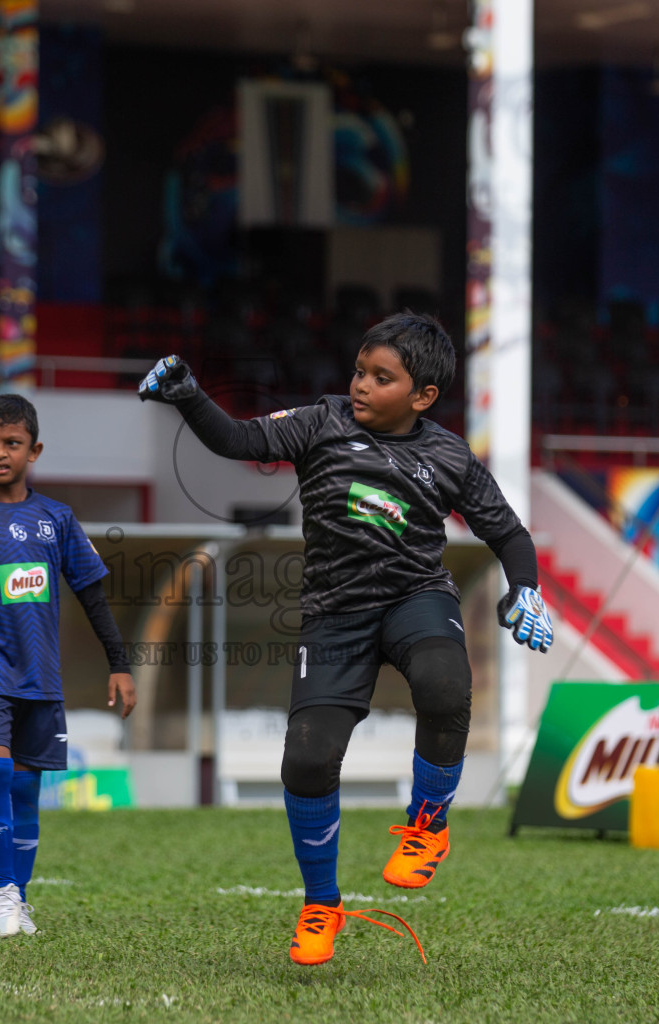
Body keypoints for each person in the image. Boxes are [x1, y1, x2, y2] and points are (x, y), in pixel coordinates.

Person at [139, 311, 553, 966]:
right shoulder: (321, 422)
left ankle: (427, 826)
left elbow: (509, 534)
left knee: (445, 685)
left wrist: (525, 587)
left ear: (423, 397)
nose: (360, 385)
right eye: (360, 370)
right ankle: (321, 905)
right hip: (335, 615)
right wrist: (187, 392)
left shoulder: (447, 456)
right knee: (306, 759)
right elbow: (238, 441)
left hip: (416, 598)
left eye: (381, 378)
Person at [0, 394, 137, 938]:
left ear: (34, 450)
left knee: (25, 791)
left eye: (12, 443)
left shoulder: (56, 520)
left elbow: (91, 595)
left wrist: (120, 664)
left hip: (41, 678)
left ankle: (19, 899)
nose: (1, 453)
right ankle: (2, 895)